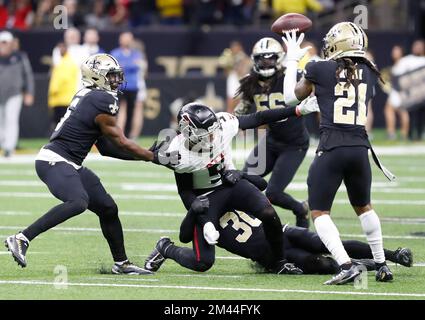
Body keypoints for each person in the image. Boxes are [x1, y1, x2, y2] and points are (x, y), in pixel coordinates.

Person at [4, 53, 175, 274]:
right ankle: (22, 237)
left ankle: (121, 263)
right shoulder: (102, 100)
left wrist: (147, 155)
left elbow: (106, 148)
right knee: (78, 202)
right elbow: (121, 141)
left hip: (69, 162)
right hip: (55, 160)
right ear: (96, 77)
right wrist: (151, 156)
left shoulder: (92, 96)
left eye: (116, 76)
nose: (116, 80)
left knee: (107, 208)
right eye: (111, 76)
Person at [145, 99, 319, 274]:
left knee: (268, 212)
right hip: (207, 198)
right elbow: (184, 191)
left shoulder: (222, 125)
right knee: (203, 262)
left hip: (229, 184)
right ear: (190, 133)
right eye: (207, 134)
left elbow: (259, 117)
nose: (213, 137)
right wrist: (201, 218)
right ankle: (166, 248)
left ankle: (280, 262)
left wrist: (296, 110)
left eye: (213, 132)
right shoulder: (178, 155)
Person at [282, 23, 394, 285]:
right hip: (360, 149)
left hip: (332, 148)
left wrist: (291, 61)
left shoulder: (319, 68)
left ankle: (345, 264)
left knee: (319, 212)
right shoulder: (368, 71)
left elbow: (290, 98)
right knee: (364, 207)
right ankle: (381, 264)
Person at [145, 192, 413, 275]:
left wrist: (237, 176)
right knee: (323, 264)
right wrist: (193, 211)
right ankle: (164, 248)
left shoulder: (226, 190)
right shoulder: (201, 212)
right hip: (271, 256)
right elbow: (184, 233)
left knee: (327, 242)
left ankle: (389, 256)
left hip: (281, 233)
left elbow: (259, 187)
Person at [235, 37, 310, 228]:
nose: (266, 62)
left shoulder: (291, 77)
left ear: (279, 58)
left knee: (274, 193)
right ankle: (256, 229)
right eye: (261, 58)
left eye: (270, 58)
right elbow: (240, 112)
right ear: (254, 59)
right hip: (271, 141)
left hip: (294, 144)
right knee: (242, 183)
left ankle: (300, 209)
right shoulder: (250, 83)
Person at [0, 31, 34, 158]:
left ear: (11, 44)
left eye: (5, 43)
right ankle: (3, 145)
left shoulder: (20, 57)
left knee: (11, 119)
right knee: (1, 121)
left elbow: (28, 75)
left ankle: (9, 147)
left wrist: (29, 92)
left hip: (14, 93)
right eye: (1, 43)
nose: (3, 45)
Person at [110, 32, 143, 137]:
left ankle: (127, 135)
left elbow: (138, 66)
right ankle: (114, 134)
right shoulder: (115, 53)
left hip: (133, 86)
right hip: (120, 86)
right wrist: (130, 65)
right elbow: (117, 67)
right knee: (115, 110)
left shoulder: (137, 53)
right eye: (125, 39)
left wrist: (125, 65)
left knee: (130, 112)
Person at [47, 42, 79, 130]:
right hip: (60, 99)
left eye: (62, 48)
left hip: (64, 99)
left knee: (62, 124)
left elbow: (61, 80)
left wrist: (53, 92)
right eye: (59, 48)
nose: (60, 50)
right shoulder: (62, 62)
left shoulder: (67, 63)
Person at [383, 45, 409, 140]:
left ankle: (395, 133)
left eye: (396, 51)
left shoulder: (403, 63)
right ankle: (401, 133)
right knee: (399, 111)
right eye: (393, 51)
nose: (394, 53)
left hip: (399, 92)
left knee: (394, 110)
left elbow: (405, 79)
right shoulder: (397, 63)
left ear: (401, 52)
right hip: (397, 91)